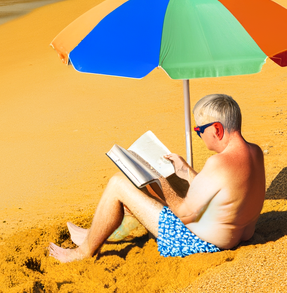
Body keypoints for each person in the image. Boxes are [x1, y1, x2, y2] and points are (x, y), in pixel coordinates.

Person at [48, 93, 264, 262]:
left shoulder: (218, 163)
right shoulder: (255, 152)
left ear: (216, 129)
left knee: (118, 184)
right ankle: (96, 232)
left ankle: (83, 252)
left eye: (199, 130)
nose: (199, 135)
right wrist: (186, 172)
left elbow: (185, 213)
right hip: (236, 235)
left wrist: (159, 183)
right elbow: (221, 191)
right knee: (155, 188)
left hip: (197, 243)